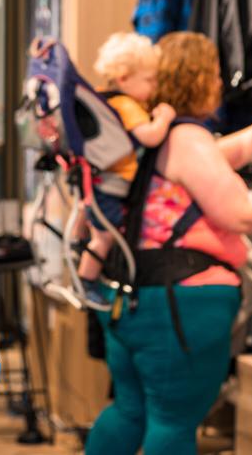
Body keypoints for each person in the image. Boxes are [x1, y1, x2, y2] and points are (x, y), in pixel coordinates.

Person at [85, 31, 252, 455]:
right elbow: (242, 216)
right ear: (197, 79)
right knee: (174, 422)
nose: (219, 83)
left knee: (131, 411)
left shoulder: (159, 135)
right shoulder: (186, 141)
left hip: (130, 297)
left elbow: (218, 154)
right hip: (180, 304)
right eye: (213, 73)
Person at [77, 32, 177, 302]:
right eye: (149, 80)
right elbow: (151, 136)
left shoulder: (100, 97)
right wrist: (165, 117)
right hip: (112, 184)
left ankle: (78, 239)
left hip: (94, 180)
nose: (154, 87)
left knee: (94, 222)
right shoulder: (127, 105)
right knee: (105, 238)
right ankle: (86, 282)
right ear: (123, 78)